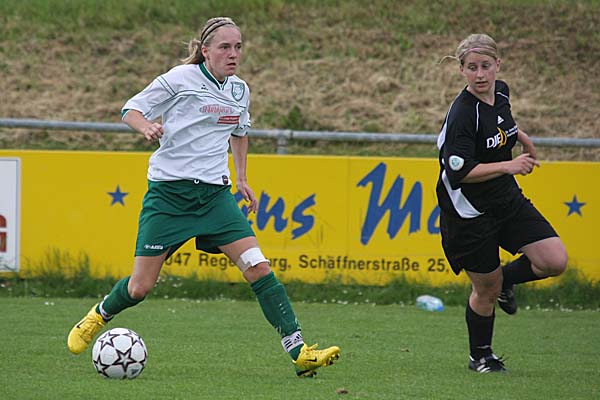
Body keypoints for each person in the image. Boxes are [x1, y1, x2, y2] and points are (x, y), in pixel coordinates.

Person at [67, 16, 340, 378]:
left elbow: (240, 132)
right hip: (169, 196)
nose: (233, 54)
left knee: (258, 267)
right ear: (205, 50)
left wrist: (242, 178)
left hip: (215, 198)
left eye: (238, 47)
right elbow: (130, 109)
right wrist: (146, 126)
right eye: (225, 47)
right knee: (139, 287)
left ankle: (299, 352)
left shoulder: (240, 90)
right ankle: (99, 315)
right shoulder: (180, 79)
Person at [435, 33, 567, 373]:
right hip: (468, 213)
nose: (480, 75)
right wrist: (510, 166)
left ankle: (505, 280)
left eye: (485, 66)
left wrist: (523, 139)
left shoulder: (502, 92)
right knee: (486, 289)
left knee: (554, 260)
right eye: (471, 68)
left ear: (498, 65)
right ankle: (480, 357)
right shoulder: (463, 114)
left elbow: (503, 125)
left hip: (505, 199)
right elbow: (460, 172)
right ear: (461, 70)